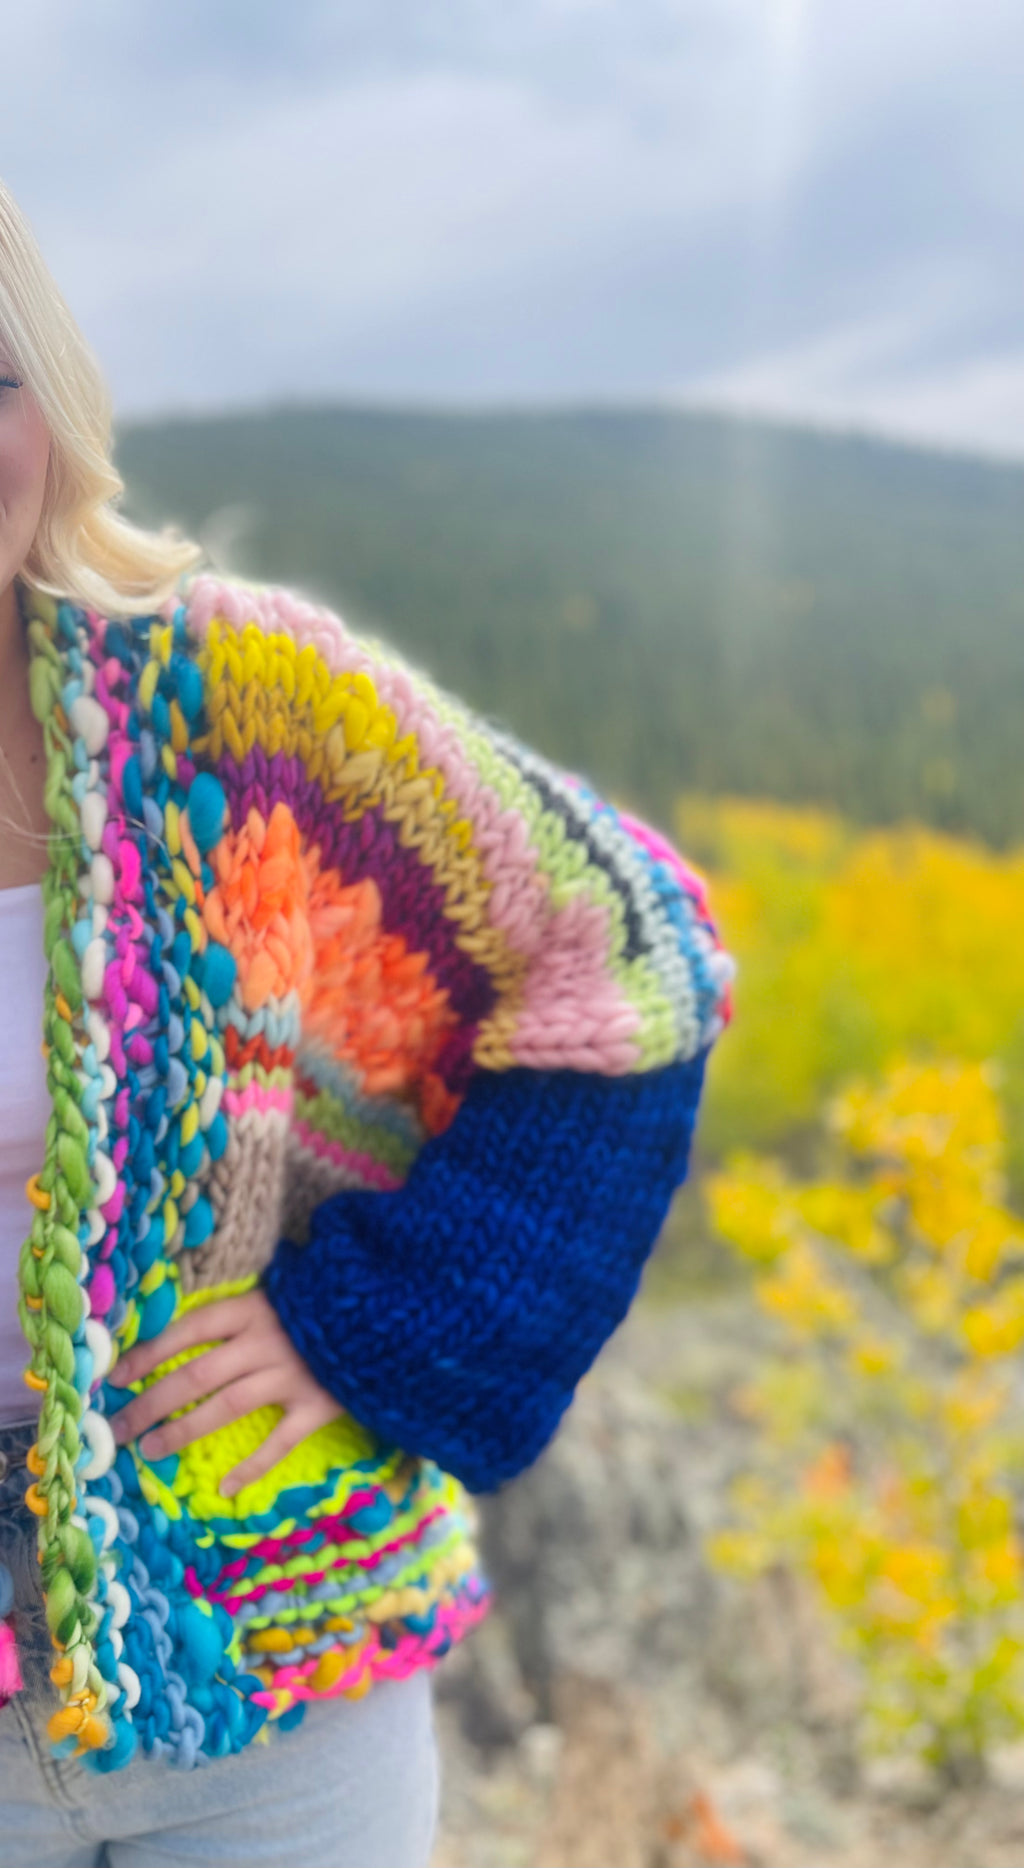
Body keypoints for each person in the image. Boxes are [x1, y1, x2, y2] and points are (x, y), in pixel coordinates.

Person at [0, 177, 733, 1867]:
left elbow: (631, 953)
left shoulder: (236, 710)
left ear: (50, 392)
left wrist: (385, 1328)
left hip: (277, 1660)